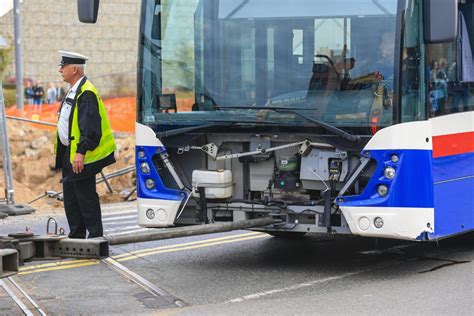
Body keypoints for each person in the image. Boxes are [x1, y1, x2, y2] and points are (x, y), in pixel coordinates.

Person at [54, 50, 116, 239]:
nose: (60, 70)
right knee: (72, 198)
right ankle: (77, 237)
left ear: (74, 69)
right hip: (69, 153)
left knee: (85, 198)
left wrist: (81, 152)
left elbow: (91, 129)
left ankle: (96, 238)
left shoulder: (86, 93)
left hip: (82, 155)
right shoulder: (74, 91)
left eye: (63, 66)